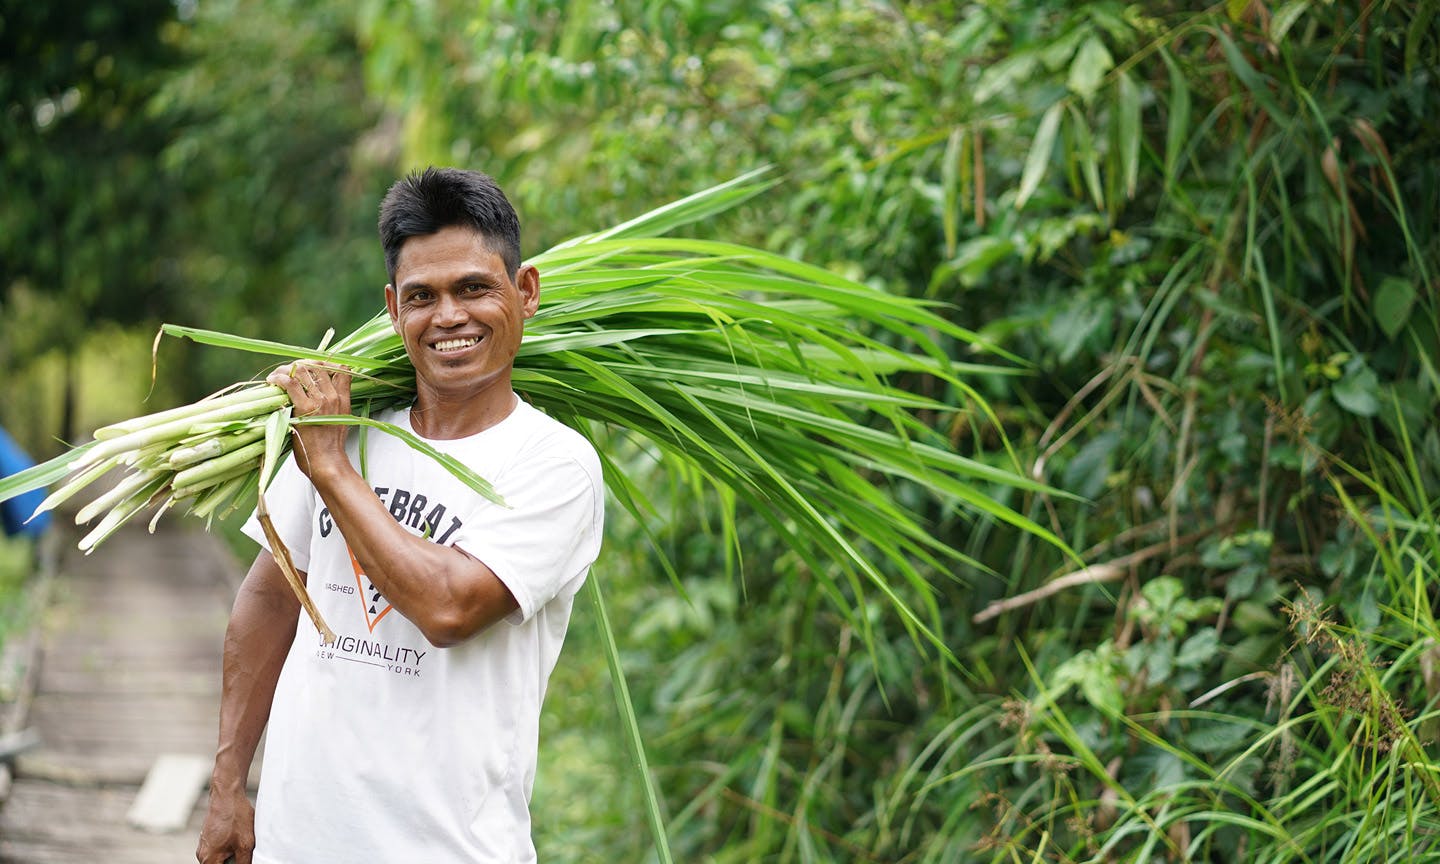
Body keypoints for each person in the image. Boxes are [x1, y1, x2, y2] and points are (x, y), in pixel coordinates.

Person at [196, 167, 605, 864]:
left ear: (525, 291)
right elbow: (269, 598)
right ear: (393, 309)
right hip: (295, 844)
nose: (448, 317)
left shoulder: (552, 464)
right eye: (422, 297)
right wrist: (228, 783)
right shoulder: (346, 428)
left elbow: (448, 608)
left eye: (474, 288)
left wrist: (329, 468)